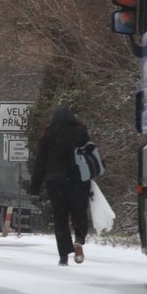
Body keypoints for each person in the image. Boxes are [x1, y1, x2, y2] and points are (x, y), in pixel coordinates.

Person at [29, 105, 92, 266]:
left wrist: (34, 188)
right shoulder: (80, 131)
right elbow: (90, 154)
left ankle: (63, 255)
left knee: (60, 218)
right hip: (78, 179)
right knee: (79, 211)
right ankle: (79, 239)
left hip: (55, 182)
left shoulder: (48, 135)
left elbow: (40, 164)